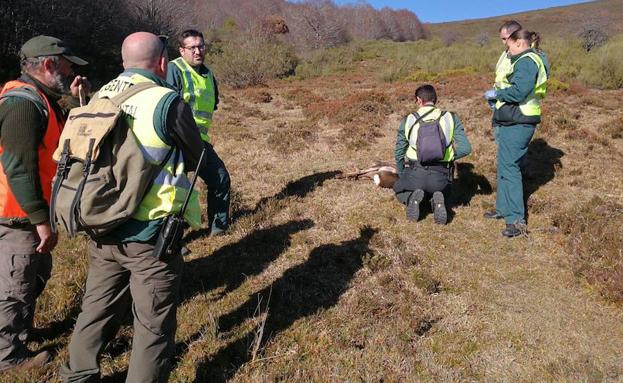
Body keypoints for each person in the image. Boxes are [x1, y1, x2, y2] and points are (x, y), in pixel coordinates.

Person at [59, 32, 205, 382]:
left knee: (95, 310)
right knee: (152, 326)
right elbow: (197, 156)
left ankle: (77, 376)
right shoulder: (168, 102)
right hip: (150, 236)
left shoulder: (101, 95)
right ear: (162, 63)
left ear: (124, 61)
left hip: (102, 226)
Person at [0, 35, 88, 370]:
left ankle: (18, 331)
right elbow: (18, 168)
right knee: (14, 286)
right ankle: (7, 358)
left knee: (32, 277)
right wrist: (40, 220)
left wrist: (79, 99)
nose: (70, 73)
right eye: (66, 67)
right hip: (17, 218)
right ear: (49, 64)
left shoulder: (42, 100)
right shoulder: (22, 105)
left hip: (27, 214)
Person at [484, 29, 548, 237]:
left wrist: (498, 94)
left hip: (520, 119)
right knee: (505, 164)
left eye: (509, 45)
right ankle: (503, 209)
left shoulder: (527, 61)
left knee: (510, 167)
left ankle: (517, 221)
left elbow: (520, 90)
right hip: (512, 117)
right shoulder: (521, 59)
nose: (507, 49)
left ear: (520, 42)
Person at [167, 29, 230, 236]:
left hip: (200, 142)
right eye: (192, 47)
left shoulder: (209, 75)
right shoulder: (174, 69)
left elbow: (212, 105)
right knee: (174, 192)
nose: (197, 51)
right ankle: (174, 240)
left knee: (220, 179)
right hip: (176, 142)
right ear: (182, 50)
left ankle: (218, 229)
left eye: (201, 46)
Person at [393, 85, 472, 224]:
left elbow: (399, 153)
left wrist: (401, 174)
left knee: (398, 189)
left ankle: (412, 198)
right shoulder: (451, 118)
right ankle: (437, 200)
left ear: (418, 100)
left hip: (415, 173)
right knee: (445, 193)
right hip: (440, 178)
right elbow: (466, 148)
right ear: (435, 99)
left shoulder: (408, 119)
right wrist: (448, 156)